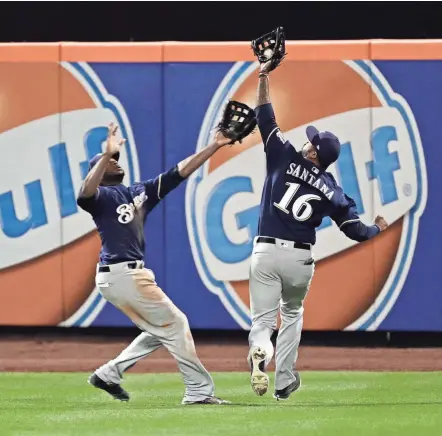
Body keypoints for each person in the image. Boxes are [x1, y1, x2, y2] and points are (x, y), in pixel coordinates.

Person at [248, 61, 389, 400]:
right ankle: (283, 381)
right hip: (299, 260)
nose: (307, 142)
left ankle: (260, 352)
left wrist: (264, 75)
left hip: (265, 252)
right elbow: (356, 231)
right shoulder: (333, 190)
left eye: (311, 143)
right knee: (292, 312)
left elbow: (264, 115)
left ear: (313, 152)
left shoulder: (282, 155)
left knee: (263, 322)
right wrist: (377, 228)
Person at [77, 122, 232, 405]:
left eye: (115, 159)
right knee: (176, 323)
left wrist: (215, 145)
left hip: (125, 275)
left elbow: (179, 172)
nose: (115, 162)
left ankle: (109, 374)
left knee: (160, 329)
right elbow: (84, 194)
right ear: (98, 172)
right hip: (123, 274)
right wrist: (104, 156)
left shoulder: (138, 192)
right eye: (110, 161)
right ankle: (198, 392)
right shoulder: (99, 198)